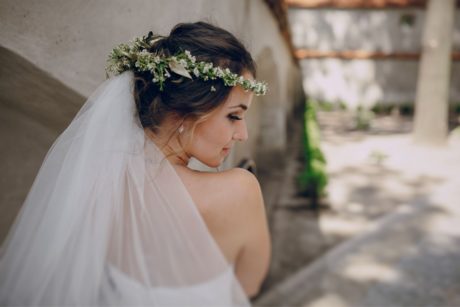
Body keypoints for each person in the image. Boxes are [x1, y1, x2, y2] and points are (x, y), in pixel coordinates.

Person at [0, 22, 270, 306]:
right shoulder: (241, 190)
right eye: (234, 116)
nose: (243, 134)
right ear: (184, 112)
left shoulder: (99, 176)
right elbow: (249, 284)